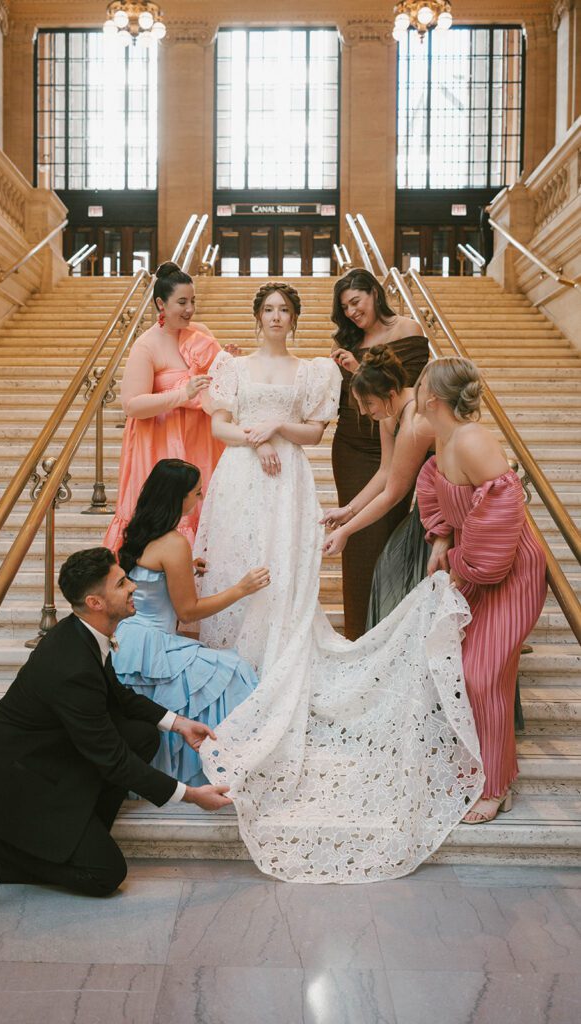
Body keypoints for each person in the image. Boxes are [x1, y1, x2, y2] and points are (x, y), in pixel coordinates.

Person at [194, 283, 484, 884]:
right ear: (257, 318)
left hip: (379, 508)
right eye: (267, 309)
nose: (276, 317)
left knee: (348, 595)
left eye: (284, 310)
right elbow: (382, 477)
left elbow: (387, 480)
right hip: (247, 478)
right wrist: (343, 513)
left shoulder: (391, 414)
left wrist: (347, 526)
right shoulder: (238, 367)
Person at [0, 547, 232, 896]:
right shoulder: (71, 664)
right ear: (96, 603)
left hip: (51, 753)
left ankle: (75, 830)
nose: (133, 587)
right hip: (27, 778)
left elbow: (116, 696)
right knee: (105, 874)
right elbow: (112, 758)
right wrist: (192, 795)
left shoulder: (84, 633)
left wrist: (178, 722)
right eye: (122, 583)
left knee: (142, 736)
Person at [415, 357, 547, 824]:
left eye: (420, 382)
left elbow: (503, 504)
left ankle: (495, 785)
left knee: (482, 675)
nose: (415, 387)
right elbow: (435, 486)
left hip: (510, 572)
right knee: (461, 672)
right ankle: (484, 772)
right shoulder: (443, 436)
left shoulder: (471, 438)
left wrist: (462, 564)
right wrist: (442, 536)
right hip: (474, 568)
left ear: (432, 397)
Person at [112, 458, 268, 787]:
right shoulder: (173, 542)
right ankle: (222, 767)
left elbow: (151, 579)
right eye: (197, 493)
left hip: (129, 640)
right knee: (235, 672)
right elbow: (188, 612)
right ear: (178, 497)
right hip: (154, 644)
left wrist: (185, 567)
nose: (200, 499)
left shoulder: (140, 532)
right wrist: (241, 589)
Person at [329, 268, 428, 639]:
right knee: (357, 545)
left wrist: (360, 370)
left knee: (388, 536)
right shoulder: (351, 340)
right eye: (345, 308)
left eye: (356, 301)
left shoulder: (410, 331)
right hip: (355, 446)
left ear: (375, 292)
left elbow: (403, 390)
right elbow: (355, 401)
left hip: (400, 441)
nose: (352, 312)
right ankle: (359, 632)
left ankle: (387, 630)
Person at [103, 261, 226, 553]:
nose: (189, 309)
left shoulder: (201, 332)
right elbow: (132, 405)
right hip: (160, 443)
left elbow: (218, 383)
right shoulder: (146, 345)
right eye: (181, 302)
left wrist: (227, 363)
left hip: (201, 439)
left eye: (192, 301)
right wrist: (181, 394)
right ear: (161, 303)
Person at [321, 346, 434, 629]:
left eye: (368, 403)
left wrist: (346, 531)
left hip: (442, 509)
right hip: (427, 507)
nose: (363, 411)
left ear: (391, 394)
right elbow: (384, 473)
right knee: (388, 572)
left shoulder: (414, 423)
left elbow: (394, 493)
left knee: (393, 569)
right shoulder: (388, 416)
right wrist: (348, 510)